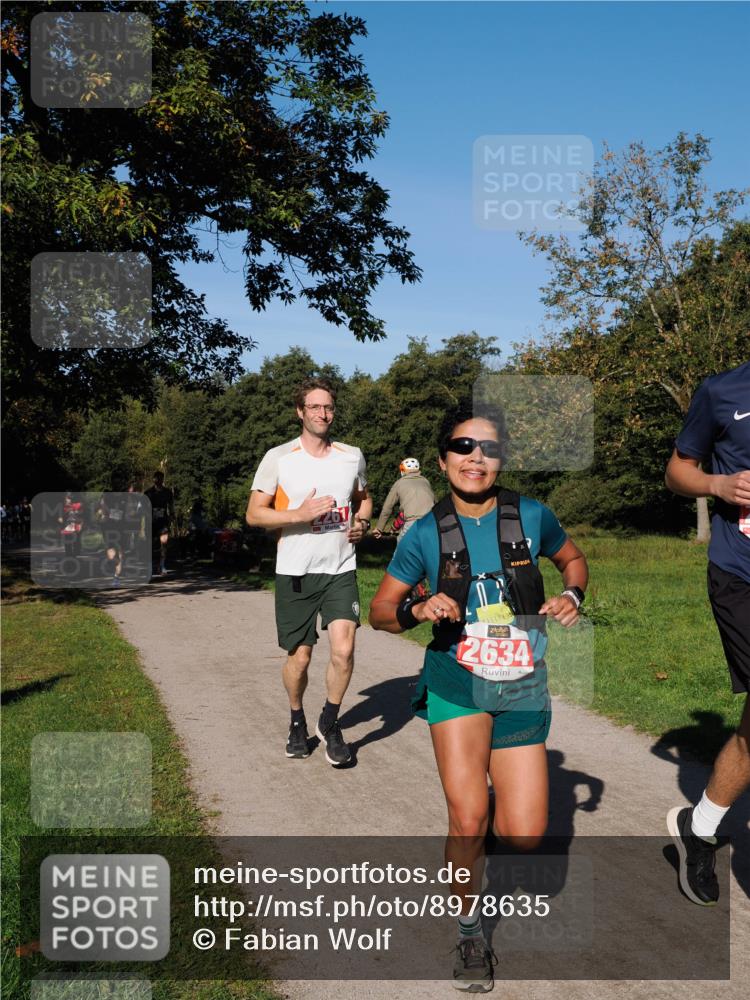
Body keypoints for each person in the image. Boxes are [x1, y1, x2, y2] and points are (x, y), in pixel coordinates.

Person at [369, 401, 588, 992]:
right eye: (463, 447)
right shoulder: (423, 533)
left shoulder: (532, 516)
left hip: (520, 685)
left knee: (524, 836)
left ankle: (484, 824)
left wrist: (573, 596)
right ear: (443, 462)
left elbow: (572, 559)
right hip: (456, 685)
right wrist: (418, 607)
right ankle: (469, 930)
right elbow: (380, 613)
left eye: (488, 448)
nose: (476, 458)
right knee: (468, 817)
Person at [246, 377, 372, 767]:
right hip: (295, 571)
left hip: (339, 568)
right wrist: (299, 515)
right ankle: (296, 719)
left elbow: (364, 500)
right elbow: (254, 514)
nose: (322, 413)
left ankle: (329, 722)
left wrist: (363, 524)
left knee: (344, 649)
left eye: (328, 407)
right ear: (300, 411)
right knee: (299, 658)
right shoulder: (279, 458)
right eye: (314, 407)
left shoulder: (352, 456)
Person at [665, 360, 750, 907]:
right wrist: (718, 483)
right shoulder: (723, 390)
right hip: (742, 571)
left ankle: (702, 825)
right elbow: (677, 472)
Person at [373, 457, 435, 542]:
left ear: (403, 470)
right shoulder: (426, 481)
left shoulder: (399, 483)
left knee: (401, 551)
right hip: (431, 522)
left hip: (412, 523)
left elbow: (387, 508)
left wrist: (379, 528)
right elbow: (436, 502)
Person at [144, 471, 175, 576]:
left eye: (161, 478)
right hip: (151, 522)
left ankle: (162, 566)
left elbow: (171, 505)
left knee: (164, 543)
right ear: (154, 479)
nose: (159, 480)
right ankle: (150, 566)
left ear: (163, 479)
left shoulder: (167, 492)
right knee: (150, 546)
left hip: (163, 522)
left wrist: (172, 515)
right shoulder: (148, 493)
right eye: (157, 478)